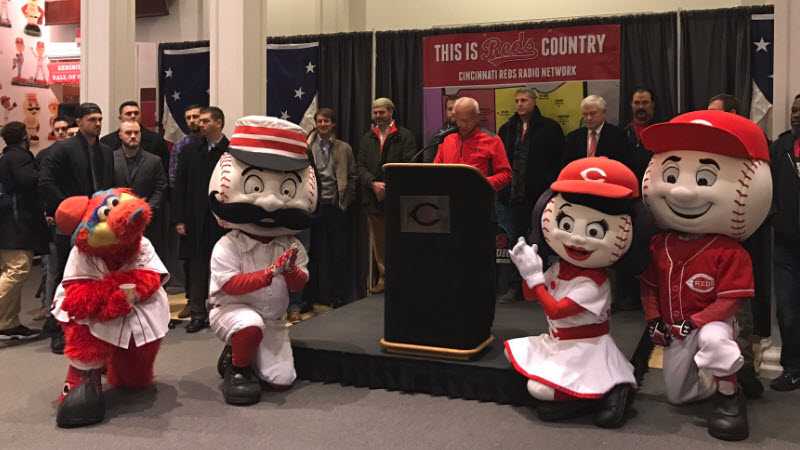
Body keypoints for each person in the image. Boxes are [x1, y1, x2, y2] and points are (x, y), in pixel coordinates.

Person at [639, 110, 773, 441]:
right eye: (671, 177)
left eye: (702, 180)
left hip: (710, 323)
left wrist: (698, 322)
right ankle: (731, 375)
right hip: (677, 328)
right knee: (677, 395)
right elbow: (650, 286)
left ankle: (730, 395)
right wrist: (655, 318)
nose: (683, 193)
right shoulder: (660, 244)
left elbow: (729, 301)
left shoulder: (729, 251)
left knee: (716, 339)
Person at [506, 157, 640, 428]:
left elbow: (555, 309)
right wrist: (526, 273)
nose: (577, 239)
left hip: (586, 349)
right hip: (559, 342)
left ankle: (608, 390)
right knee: (513, 355)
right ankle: (584, 394)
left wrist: (534, 279)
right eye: (567, 226)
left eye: (593, 231)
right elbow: (534, 297)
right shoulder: (559, 268)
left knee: (540, 390)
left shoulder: (594, 283)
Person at [207, 116, 317, 405]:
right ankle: (238, 367)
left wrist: (290, 269)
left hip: (274, 319)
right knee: (248, 324)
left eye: (285, 191)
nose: (269, 203)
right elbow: (230, 285)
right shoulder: (228, 244)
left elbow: (299, 284)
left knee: (281, 380)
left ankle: (242, 349)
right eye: (256, 187)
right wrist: (270, 272)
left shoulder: (290, 243)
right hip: (232, 310)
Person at [39, 103, 114, 354]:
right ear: (79, 121)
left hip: (97, 221)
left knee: (95, 274)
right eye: (92, 119)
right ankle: (58, 328)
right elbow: (46, 183)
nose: (98, 123)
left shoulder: (105, 151)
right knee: (65, 276)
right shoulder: (62, 150)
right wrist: (68, 209)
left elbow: (109, 186)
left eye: (100, 119)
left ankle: (92, 328)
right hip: (70, 222)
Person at [496, 87, 564, 303]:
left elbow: (559, 161)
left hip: (540, 195)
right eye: (516, 100)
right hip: (514, 196)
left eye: (524, 100)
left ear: (534, 102)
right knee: (516, 242)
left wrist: (550, 187)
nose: (519, 104)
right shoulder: (506, 129)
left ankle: (541, 287)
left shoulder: (550, 128)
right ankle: (515, 287)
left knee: (541, 241)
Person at [173, 106, 228, 332]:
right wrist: (179, 219)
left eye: (205, 121)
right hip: (194, 218)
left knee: (222, 265)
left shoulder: (231, 151)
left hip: (221, 219)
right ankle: (197, 312)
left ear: (219, 123)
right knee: (196, 266)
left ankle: (220, 310)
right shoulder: (190, 150)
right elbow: (180, 186)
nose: (200, 124)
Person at [357, 97, 417, 294]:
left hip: (398, 199)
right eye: (375, 112)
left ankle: (402, 278)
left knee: (400, 240)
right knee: (379, 242)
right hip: (373, 199)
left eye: (381, 112)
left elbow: (411, 164)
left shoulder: (405, 136)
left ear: (391, 112)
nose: (377, 116)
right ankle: (384, 278)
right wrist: (373, 184)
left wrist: (388, 186)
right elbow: (359, 166)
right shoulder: (367, 138)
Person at [302, 108, 356, 315]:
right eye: (319, 121)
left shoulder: (344, 148)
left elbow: (352, 176)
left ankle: (338, 297)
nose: (323, 124)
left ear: (333, 124)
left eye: (326, 121)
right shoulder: (306, 147)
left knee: (338, 253)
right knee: (311, 253)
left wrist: (346, 199)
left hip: (336, 206)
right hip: (313, 207)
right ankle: (310, 298)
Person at [0, 121, 47, 340]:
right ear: (23, 136)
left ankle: (8, 322)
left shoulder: (7, 156)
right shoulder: (19, 157)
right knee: (17, 269)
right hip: (16, 224)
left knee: (11, 268)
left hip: (9, 221)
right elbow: (28, 181)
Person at [768, 93, 800, 392]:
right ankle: (792, 368)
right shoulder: (780, 147)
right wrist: (775, 215)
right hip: (786, 245)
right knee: (787, 310)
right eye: (794, 109)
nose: (796, 114)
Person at [34, 115, 71, 321]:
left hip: (74, 216)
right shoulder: (44, 155)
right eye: (57, 129)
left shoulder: (76, 153)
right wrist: (47, 212)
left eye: (64, 128)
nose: (61, 132)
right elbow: (42, 186)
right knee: (51, 266)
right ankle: (48, 307)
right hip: (52, 217)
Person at [433, 97, 511, 191]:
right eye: (459, 120)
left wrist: (482, 183)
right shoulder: (447, 138)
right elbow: (436, 169)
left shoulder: (493, 140)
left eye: (466, 121)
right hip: (449, 198)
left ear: (477, 117)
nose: (462, 125)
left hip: (480, 198)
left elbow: (506, 174)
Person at [169, 104, 203, 319]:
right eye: (188, 117)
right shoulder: (181, 146)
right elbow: (174, 180)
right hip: (188, 211)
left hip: (208, 212)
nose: (192, 121)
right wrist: (179, 216)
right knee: (189, 260)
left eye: (196, 117)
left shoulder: (212, 144)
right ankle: (192, 300)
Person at [111, 120, 167, 247]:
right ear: (120, 135)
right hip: (117, 220)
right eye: (128, 133)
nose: (133, 136)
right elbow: (106, 186)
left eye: (136, 132)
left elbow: (160, 188)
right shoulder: (110, 158)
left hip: (147, 223)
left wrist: (146, 209)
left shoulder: (154, 160)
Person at [100, 100, 169, 174]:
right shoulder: (107, 141)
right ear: (120, 118)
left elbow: (164, 169)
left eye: (136, 113)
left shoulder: (156, 140)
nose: (133, 116)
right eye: (128, 114)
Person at [562, 95, 631, 168]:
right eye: (585, 114)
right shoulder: (573, 137)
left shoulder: (618, 135)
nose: (588, 118)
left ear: (604, 113)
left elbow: (622, 165)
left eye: (593, 113)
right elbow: (567, 165)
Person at [623, 87, 658, 179]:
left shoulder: (661, 131)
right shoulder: (622, 133)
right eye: (637, 103)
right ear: (631, 104)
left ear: (653, 104)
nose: (641, 107)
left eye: (645, 103)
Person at [423, 95, 458, 163]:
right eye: (450, 109)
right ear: (445, 111)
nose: (453, 112)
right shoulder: (438, 136)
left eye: (456, 109)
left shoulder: (468, 133)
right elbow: (428, 162)